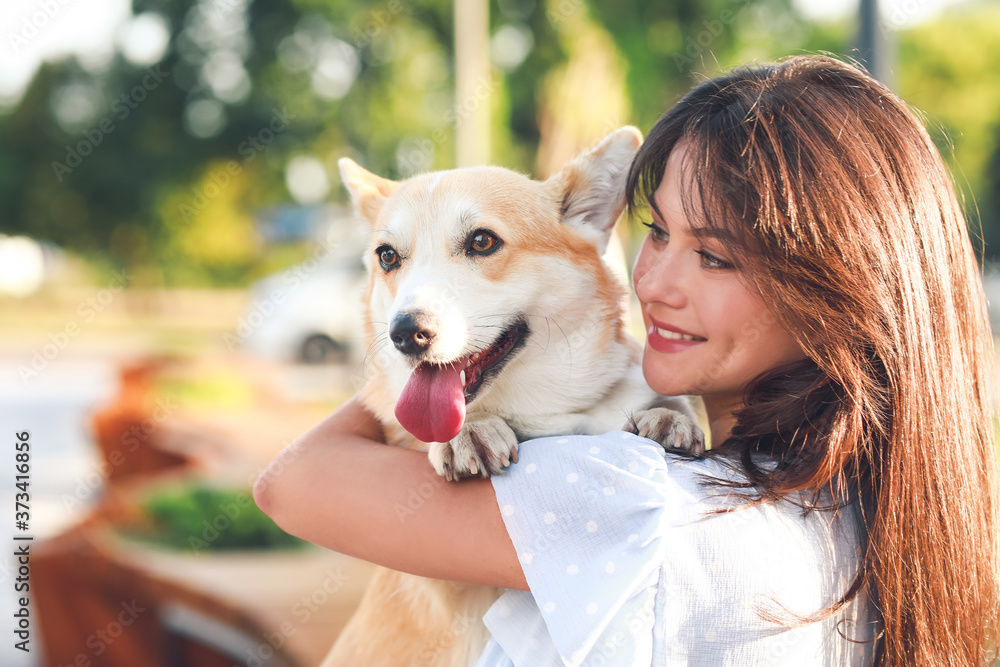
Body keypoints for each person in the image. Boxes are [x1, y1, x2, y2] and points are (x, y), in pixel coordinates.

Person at [253, 55, 1000, 666]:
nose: (649, 283)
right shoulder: (881, 512)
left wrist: (426, 363)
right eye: (658, 231)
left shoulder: (634, 506)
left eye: (714, 256)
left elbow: (291, 483)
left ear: (835, 297)